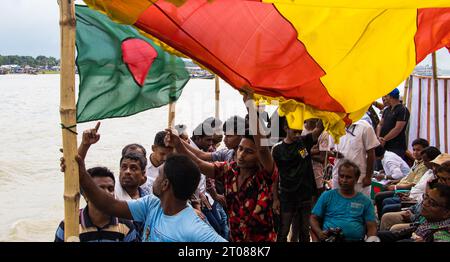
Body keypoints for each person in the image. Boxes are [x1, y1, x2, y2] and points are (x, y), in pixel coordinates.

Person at [72, 123, 226, 242]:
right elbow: (109, 205)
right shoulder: (152, 204)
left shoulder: (195, 228)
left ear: (165, 185)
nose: (152, 179)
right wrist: (82, 172)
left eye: (159, 175)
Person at [165, 91, 278, 242]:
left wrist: (250, 106)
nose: (241, 155)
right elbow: (199, 163)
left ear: (260, 157)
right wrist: (179, 144)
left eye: (249, 152)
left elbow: (263, 148)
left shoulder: (266, 174)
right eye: (241, 149)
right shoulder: (228, 170)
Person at [271, 117, 323, 242]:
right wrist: (275, 199)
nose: (298, 134)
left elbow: (319, 128)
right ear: (285, 128)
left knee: (304, 231)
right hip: (287, 195)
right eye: (294, 131)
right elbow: (275, 176)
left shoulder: (303, 142)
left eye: (299, 131)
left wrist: (322, 113)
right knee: (283, 231)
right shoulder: (277, 149)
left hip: (305, 194)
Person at [55, 166, 139, 242]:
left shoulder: (126, 225)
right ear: (85, 194)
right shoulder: (69, 225)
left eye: (110, 189)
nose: (107, 193)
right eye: (100, 189)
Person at [310, 160, 378, 242]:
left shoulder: (365, 201)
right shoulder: (327, 195)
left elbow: (372, 227)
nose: (344, 180)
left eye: (348, 177)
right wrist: (319, 233)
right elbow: (313, 218)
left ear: (356, 179)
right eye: (341, 176)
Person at [380, 161, 450, 231]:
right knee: (386, 216)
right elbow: (422, 203)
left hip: (425, 225)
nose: (440, 181)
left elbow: (433, 219)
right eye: (439, 178)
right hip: (415, 211)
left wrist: (412, 218)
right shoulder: (434, 185)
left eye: (443, 179)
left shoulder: (442, 194)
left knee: (394, 227)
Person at [376, 147, 442, 219]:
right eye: (414, 149)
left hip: (414, 201)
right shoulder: (428, 171)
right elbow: (414, 184)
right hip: (409, 194)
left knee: (386, 205)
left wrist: (396, 187)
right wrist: (406, 193)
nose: (424, 163)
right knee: (382, 196)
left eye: (426, 161)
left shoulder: (434, 178)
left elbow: (420, 192)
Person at [377, 183, 450, 242]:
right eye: (426, 197)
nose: (424, 203)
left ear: (446, 213)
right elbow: (405, 232)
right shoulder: (431, 221)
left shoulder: (442, 234)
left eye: (432, 203)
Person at [330, 119, 380, 196]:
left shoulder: (365, 127)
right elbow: (331, 148)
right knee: (338, 205)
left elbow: (371, 153)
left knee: (360, 205)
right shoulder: (334, 126)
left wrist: (368, 177)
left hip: (359, 179)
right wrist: (334, 153)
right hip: (338, 177)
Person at [376, 88, 410, 160]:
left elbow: (398, 128)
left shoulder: (402, 110)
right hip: (383, 145)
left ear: (390, 96)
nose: (384, 98)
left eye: (386, 96)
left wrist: (384, 139)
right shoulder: (387, 110)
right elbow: (380, 124)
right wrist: (378, 137)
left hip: (396, 147)